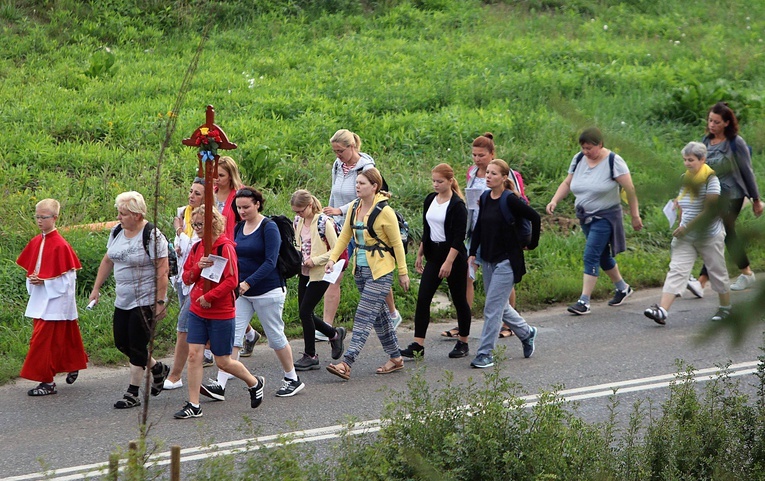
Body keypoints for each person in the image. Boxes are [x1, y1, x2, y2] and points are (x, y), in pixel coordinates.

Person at [202, 186, 305, 399]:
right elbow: (235, 257)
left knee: (275, 336)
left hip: (268, 291)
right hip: (242, 293)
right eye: (239, 207)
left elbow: (270, 261)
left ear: (257, 204)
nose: (242, 211)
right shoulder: (240, 228)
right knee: (234, 337)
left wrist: (248, 282)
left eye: (246, 207)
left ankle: (292, 378)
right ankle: (220, 385)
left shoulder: (269, 227)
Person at [174, 206, 265, 419]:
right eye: (194, 225)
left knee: (222, 361)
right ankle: (194, 405)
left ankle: (254, 382)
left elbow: (232, 281)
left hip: (221, 312)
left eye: (200, 225)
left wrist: (210, 297)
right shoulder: (198, 248)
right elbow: (186, 277)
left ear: (212, 224)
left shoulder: (225, 248)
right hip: (197, 310)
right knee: (194, 355)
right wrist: (198, 267)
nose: (196, 229)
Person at [546, 127, 643, 315]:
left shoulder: (614, 161)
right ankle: (623, 288)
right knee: (602, 255)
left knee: (590, 254)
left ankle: (584, 301)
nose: (586, 152)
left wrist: (635, 215)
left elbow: (629, 189)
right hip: (585, 216)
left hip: (605, 217)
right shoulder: (579, 159)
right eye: (583, 148)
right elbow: (567, 183)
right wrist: (554, 200)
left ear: (600, 144)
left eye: (590, 148)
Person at [88, 191, 170, 409]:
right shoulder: (117, 231)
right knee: (121, 342)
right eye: (119, 213)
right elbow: (108, 260)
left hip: (145, 299)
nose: (119, 218)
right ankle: (157, 368)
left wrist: (160, 301)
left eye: (123, 214)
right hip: (123, 298)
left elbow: (163, 269)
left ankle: (132, 393)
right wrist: (96, 288)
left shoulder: (152, 235)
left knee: (136, 344)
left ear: (136, 215)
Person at [325, 168, 409, 380]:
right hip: (360, 269)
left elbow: (397, 244)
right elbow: (344, 236)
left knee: (363, 315)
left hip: (381, 271)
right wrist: (332, 259)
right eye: (357, 183)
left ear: (374, 187)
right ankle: (396, 358)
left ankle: (347, 363)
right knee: (379, 317)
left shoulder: (385, 212)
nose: (357, 186)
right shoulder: (355, 207)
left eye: (362, 183)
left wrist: (403, 273)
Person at [322, 129, 403, 333]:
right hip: (341, 224)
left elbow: (365, 198)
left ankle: (392, 313)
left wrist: (340, 210)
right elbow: (334, 190)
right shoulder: (338, 165)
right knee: (334, 274)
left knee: (377, 273)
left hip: (362, 225)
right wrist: (331, 215)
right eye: (334, 151)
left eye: (340, 150)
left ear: (352, 147)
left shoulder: (366, 168)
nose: (337, 155)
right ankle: (326, 325)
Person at [644, 142, 731, 324]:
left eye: (691, 160)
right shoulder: (686, 177)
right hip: (686, 236)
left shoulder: (711, 180)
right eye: (685, 160)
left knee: (717, 272)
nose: (687, 163)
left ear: (702, 159)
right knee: (676, 270)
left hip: (709, 235)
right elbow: (685, 200)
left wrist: (686, 227)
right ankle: (662, 311)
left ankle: (725, 308)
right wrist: (678, 208)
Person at [468, 160, 541, 368]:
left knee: (492, 308)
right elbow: (479, 228)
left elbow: (535, 217)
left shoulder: (510, 200)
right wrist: (473, 254)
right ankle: (527, 333)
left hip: (507, 261)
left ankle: (485, 354)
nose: (488, 176)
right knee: (501, 306)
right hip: (489, 259)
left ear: (503, 178)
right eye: (487, 173)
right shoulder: (484, 197)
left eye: (493, 173)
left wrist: (532, 244)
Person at [442, 133, 516, 339]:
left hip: (498, 235)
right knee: (467, 276)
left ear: (492, 154)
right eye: (474, 155)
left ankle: (507, 323)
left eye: (481, 155)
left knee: (502, 280)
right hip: (474, 232)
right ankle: (463, 322)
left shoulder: (506, 175)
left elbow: (518, 202)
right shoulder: (472, 173)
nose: (477, 159)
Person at [16, 199, 88, 396]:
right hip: (40, 298)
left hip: (56, 301)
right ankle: (72, 363)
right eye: (37, 216)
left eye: (44, 217)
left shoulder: (61, 245)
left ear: (55, 218)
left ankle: (46, 382)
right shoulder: (36, 241)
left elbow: (68, 279)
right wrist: (33, 279)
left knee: (43, 342)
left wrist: (46, 282)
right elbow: (33, 268)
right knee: (63, 338)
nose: (39, 221)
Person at [401, 163, 472, 360]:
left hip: (453, 257)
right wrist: (420, 253)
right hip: (434, 254)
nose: (435, 185)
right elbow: (427, 228)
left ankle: (463, 341)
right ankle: (418, 344)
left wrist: (449, 262)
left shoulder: (457, 205)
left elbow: (459, 237)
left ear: (450, 181)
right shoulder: (430, 199)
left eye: (440, 181)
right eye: (433, 181)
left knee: (459, 300)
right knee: (423, 298)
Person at [695, 102, 762, 293]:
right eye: (710, 121)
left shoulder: (735, 142)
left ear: (726, 123)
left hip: (733, 195)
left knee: (725, 232)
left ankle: (743, 274)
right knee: (717, 234)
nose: (712, 125)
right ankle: (703, 280)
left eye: (716, 122)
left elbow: (747, 172)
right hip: (713, 195)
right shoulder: (705, 142)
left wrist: (756, 200)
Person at [291, 190, 347, 370]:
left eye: (300, 210)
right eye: (295, 211)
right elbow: (298, 243)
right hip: (304, 271)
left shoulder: (324, 222)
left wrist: (315, 260)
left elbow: (336, 249)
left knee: (305, 311)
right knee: (304, 312)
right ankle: (334, 334)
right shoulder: (298, 221)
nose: (298, 214)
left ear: (309, 206)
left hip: (322, 272)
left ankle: (311, 355)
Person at [214, 156, 260, 359]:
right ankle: (249, 333)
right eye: (214, 174)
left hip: (232, 248)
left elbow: (243, 222)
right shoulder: (213, 192)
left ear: (230, 175)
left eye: (221, 175)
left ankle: (238, 338)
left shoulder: (238, 195)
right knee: (222, 294)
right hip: (214, 246)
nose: (216, 179)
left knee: (229, 294)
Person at [163, 178, 205, 390]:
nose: (191, 196)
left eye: (197, 193)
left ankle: (175, 375)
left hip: (199, 282)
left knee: (183, 325)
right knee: (198, 324)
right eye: (191, 191)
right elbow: (182, 247)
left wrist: (180, 231)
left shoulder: (206, 217)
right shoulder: (184, 213)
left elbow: (196, 245)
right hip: (182, 276)